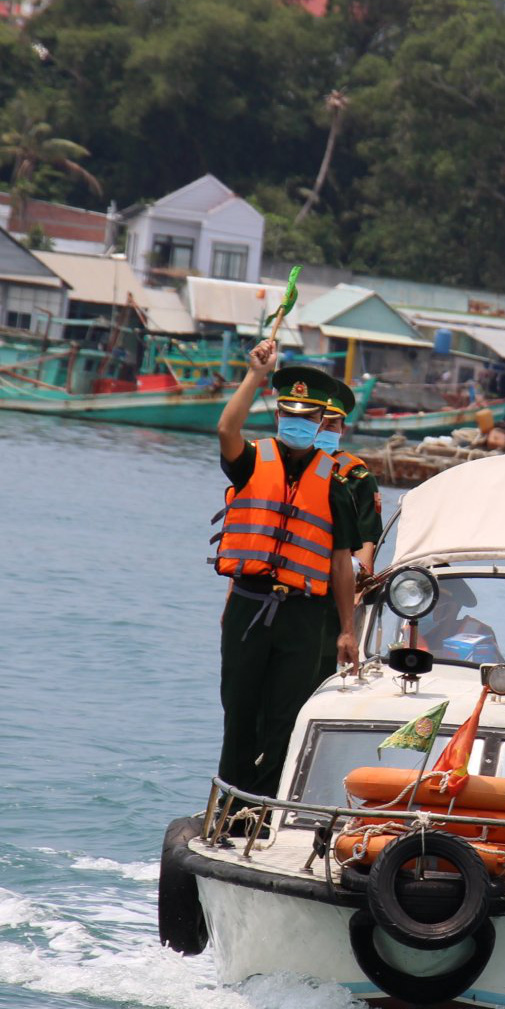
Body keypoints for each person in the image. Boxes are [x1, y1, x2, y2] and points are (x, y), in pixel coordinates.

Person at [212, 340, 361, 800]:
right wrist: (256, 375)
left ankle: (265, 809)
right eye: (289, 414)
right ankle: (229, 807)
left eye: (308, 417)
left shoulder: (336, 485)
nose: (298, 423)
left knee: (286, 719)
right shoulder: (253, 461)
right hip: (249, 607)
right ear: (279, 416)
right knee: (239, 713)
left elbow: (340, 564)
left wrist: (347, 630)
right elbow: (225, 429)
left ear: (321, 422)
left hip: (302, 616)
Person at [306, 406, 383, 683]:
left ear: (342, 429)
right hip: (292, 582)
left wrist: (355, 595)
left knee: (322, 669)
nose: (323, 430)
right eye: (318, 423)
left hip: (334, 584)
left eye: (331, 425)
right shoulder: (286, 466)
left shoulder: (358, 478)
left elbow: (366, 542)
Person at [414, 578, 503, 664]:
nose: (422, 610)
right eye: (421, 603)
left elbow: (503, 674)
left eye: (430, 603)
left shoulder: (480, 634)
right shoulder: (410, 635)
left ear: (451, 608)